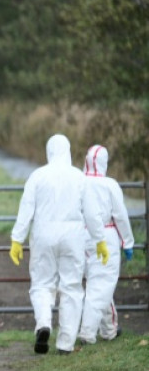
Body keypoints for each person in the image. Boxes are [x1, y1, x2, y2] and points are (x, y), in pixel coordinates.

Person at [9, 134, 106, 355]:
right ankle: (65, 344)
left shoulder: (37, 176)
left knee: (42, 284)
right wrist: (99, 240)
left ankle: (44, 323)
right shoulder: (79, 177)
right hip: (73, 236)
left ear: (49, 151)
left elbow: (26, 209)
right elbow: (92, 213)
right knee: (71, 288)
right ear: (68, 151)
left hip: (43, 234)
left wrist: (17, 239)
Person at [78, 145, 135, 344]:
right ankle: (87, 332)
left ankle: (109, 329)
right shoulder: (109, 184)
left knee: (98, 283)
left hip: (79, 236)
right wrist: (127, 241)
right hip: (105, 234)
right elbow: (120, 215)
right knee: (101, 284)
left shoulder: (78, 182)